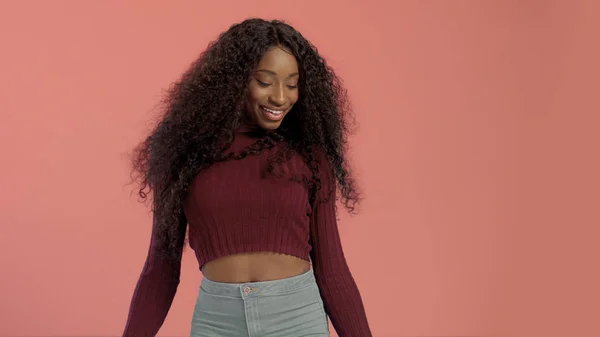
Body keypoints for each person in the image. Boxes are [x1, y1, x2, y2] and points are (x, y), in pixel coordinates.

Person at [123, 18, 372, 337]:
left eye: (292, 84)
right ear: (234, 81)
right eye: (266, 81)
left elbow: (333, 271)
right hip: (217, 323)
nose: (281, 98)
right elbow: (160, 270)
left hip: (297, 320)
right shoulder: (183, 157)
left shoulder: (309, 156)